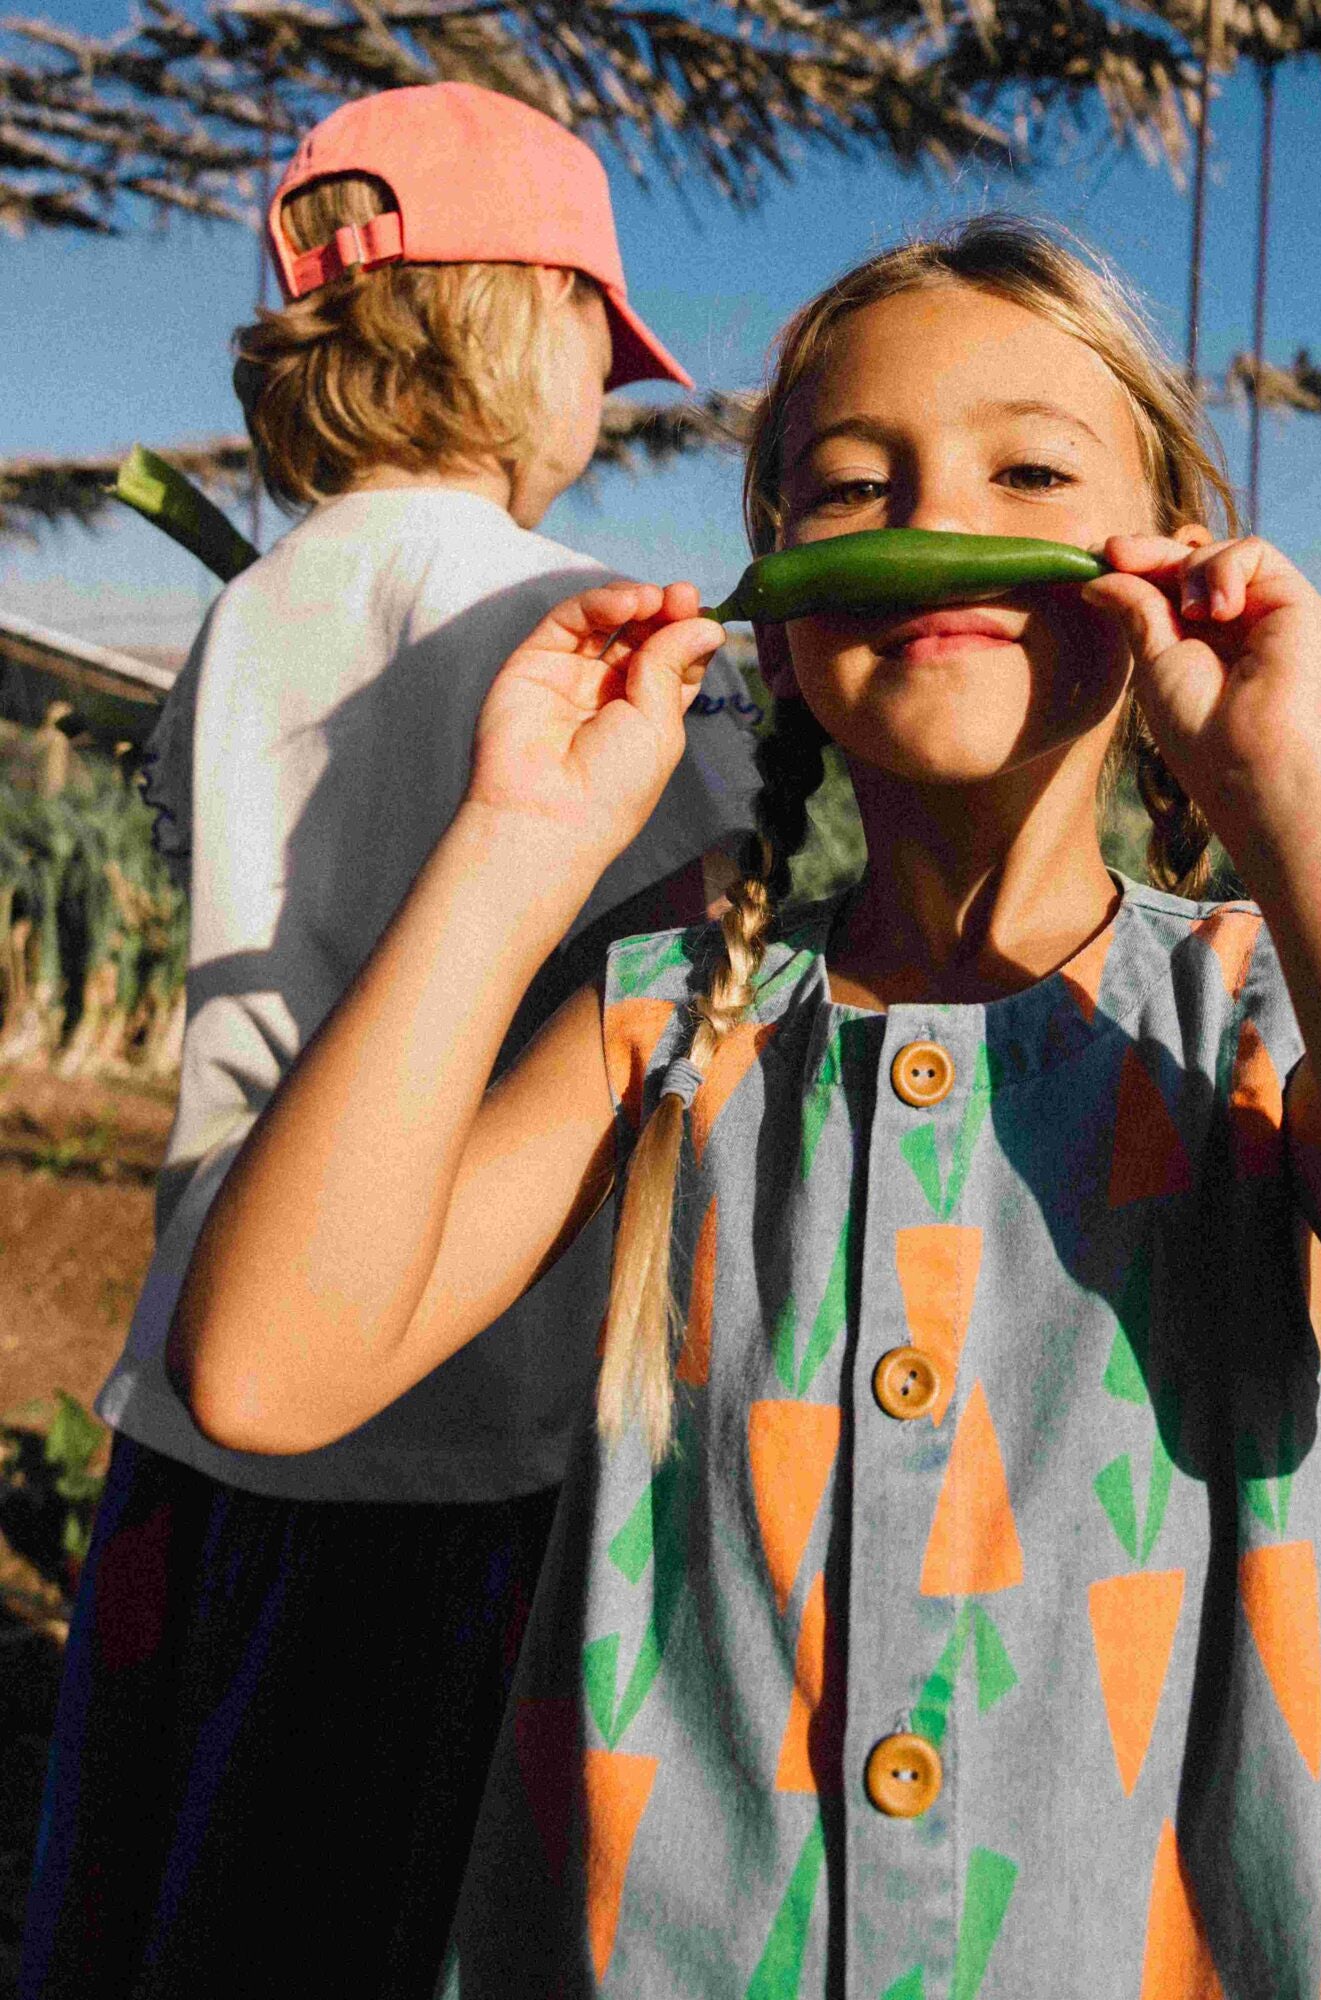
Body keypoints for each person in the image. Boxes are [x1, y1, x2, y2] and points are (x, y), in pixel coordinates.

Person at [168, 216, 1321, 1996]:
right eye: (856, 486)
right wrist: (516, 844)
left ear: (1170, 554)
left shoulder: (1261, 1011)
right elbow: (262, 1374)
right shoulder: (676, 1011)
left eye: (1031, 472)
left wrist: (1298, 792)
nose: (938, 517)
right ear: (783, 612)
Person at [23, 83, 761, 2000]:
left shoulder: (250, 613)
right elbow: (686, 961)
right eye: (600, 333)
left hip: (198, 1389)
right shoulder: (565, 623)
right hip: (453, 1411)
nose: (607, 389)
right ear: (527, 317)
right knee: (371, 1904)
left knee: (179, 1886)